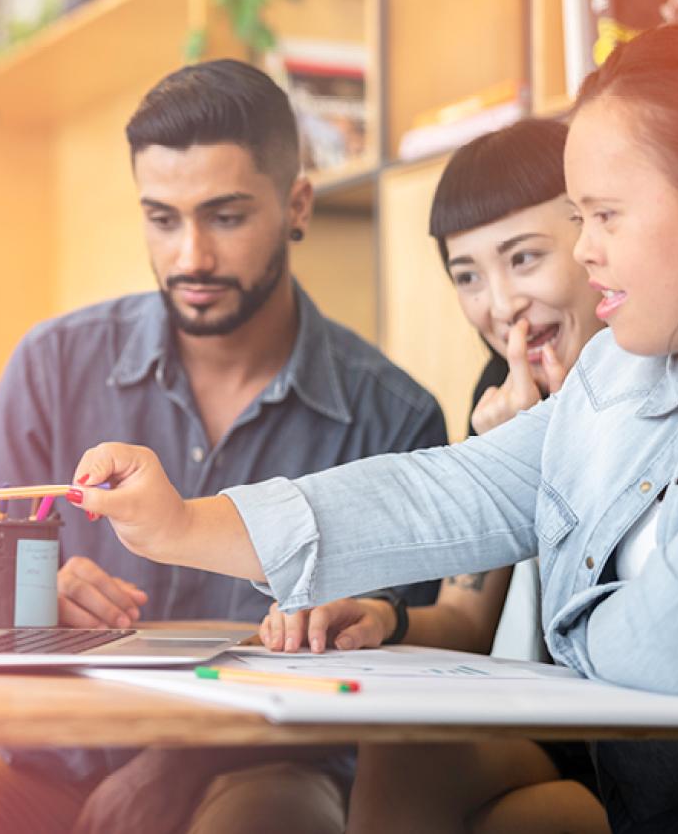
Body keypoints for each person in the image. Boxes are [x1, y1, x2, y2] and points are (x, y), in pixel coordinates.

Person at [69, 24, 678, 834]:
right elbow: (443, 490)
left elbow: (654, 643)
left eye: (604, 215)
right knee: (412, 753)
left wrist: (560, 636)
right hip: (636, 785)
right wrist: (184, 523)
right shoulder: (620, 371)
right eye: (576, 217)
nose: (585, 250)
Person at [0, 59, 448, 834]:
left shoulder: (392, 418)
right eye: (163, 218)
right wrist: (25, 598)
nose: (190, 258)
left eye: (227, 216)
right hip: (57, 757)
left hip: (263, 768)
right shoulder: (52, 366)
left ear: (296, 204)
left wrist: (181, 762)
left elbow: (389, 671)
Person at [258, 118, 608, 832]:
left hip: (645, 734)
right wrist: (383, 616)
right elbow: (467, 615)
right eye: (467, 276)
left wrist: (547, 458)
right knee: (401, 748)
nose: (500, 304)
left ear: (594, 234)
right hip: (567, 725)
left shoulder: (650, 365)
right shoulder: (503, 383)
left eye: (524, 258)